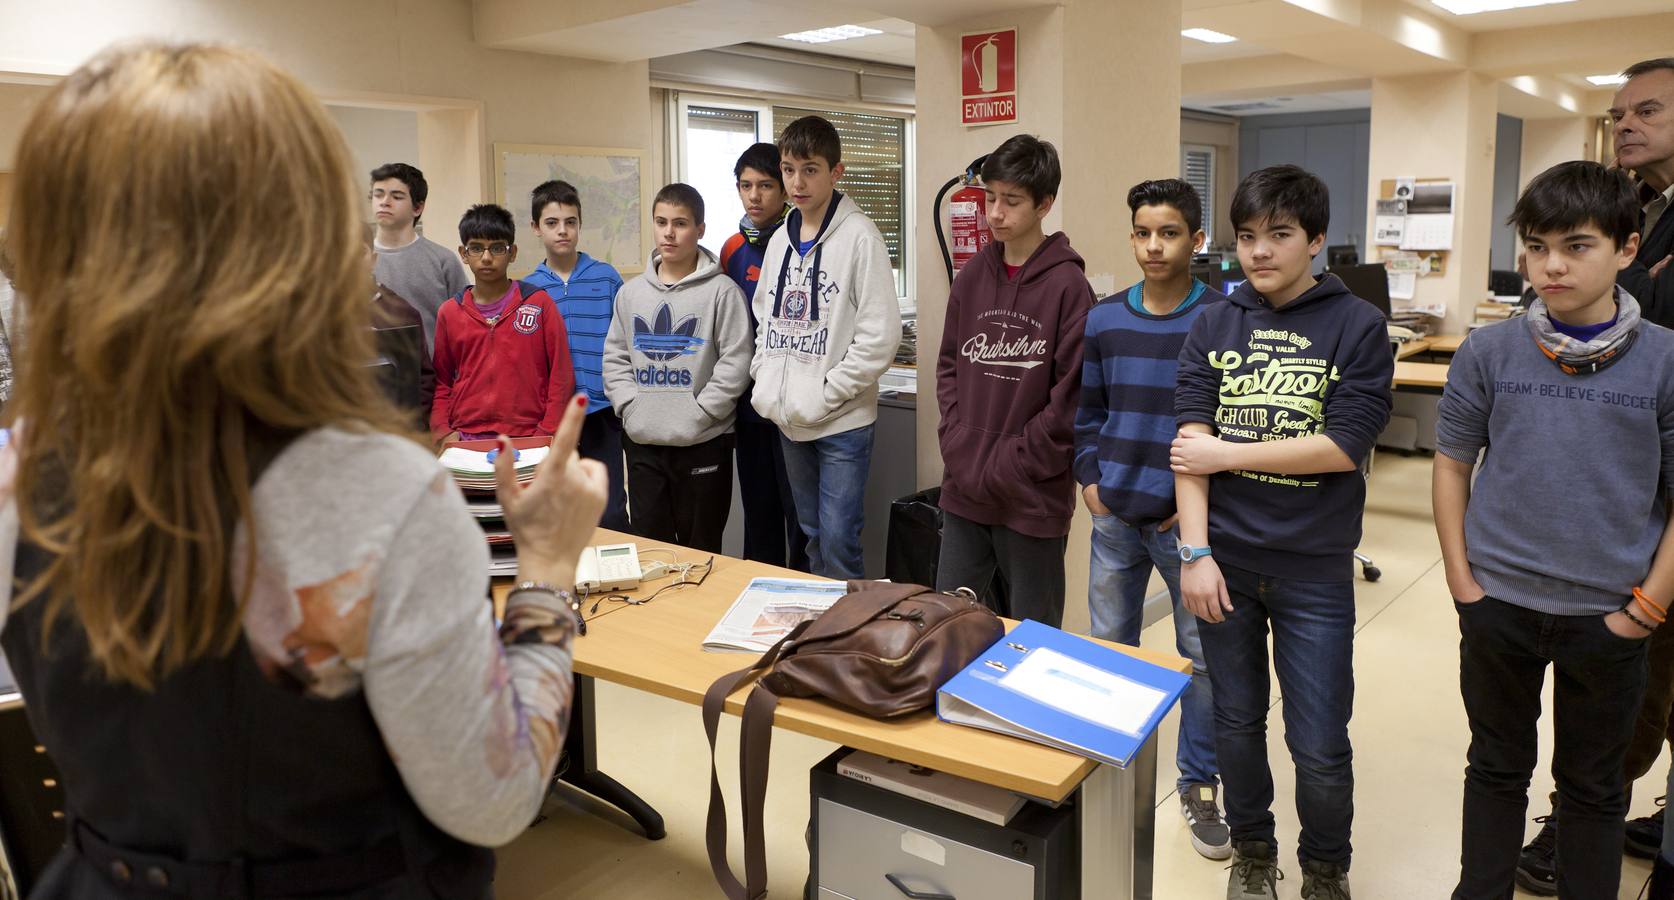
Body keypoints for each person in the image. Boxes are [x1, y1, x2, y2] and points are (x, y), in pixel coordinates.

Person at [0, 41, 606, 898]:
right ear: (307, 238)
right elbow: (492, 800)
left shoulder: (19, 475)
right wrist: (545, 571)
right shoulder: (381, 496)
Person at [1435, 160, 1674, 900]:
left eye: (1577, 246)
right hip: (1498, 606)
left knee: (1593, 789)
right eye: (1537, 247)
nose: (1552, 265)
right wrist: (1462, 581)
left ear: (1627, 250)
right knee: (1496, 769)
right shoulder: (1489, 351)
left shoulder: (1665, 359)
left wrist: (1645, 612)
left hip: (1610, 614)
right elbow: (1451, 464)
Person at [1171, 164, 1393, 900]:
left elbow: (1343, 444)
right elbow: (1187, 448)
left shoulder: (1355, 324)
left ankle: (1327, 869)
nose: (1260, 251)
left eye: (1280, 235)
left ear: (1317, 240)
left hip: (1313, 569)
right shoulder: (1215, 321)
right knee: (1236, 724)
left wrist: (1227, 454)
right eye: (1247, 236)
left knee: (1320, 742)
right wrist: (1195, 553)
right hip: (1225, 563)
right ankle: (1254, 854)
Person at [1517, 57, 1674, 893]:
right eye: (1619, 114)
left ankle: (1587, 823)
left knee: (1641, 687)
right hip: (1606, 505)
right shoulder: (1644, 207)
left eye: (1647, 110)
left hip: (1653, 505)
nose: (1626, 126)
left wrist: (1650, 596)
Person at [1076, 178, 1229, 860]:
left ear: (1196, 240)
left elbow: (1233, 427)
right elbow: (1088, 412)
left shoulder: (1224, 318)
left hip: (1184, 525)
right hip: (1114, 515)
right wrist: (1090, 478)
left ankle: (1198, 785)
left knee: (1201, 659)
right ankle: (1108, 768)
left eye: (1169, 233)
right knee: (1109, 645)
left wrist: (1200, 509)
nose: (1153, 246)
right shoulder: (1105, 318)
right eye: (1142, 232)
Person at [935, 134, 1088, 627]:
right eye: (990, 198)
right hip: (964, 489)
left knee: (1033, 633)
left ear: (1045, 204)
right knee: (949, 626)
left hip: (1032, 497)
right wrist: (958, 443)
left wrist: (1013, 463)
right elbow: (948, 367)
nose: (995, 214)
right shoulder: (972, 277)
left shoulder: (1069, 287)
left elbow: (1070, 401)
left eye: (1012, 201)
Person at [751, 115, 901, 580]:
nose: (797, 182)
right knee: (812, 534)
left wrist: (826, 392)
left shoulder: (861, 238)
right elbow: (764, 318)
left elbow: (880, 337)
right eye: (789, 169)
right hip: (790, 419)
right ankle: (821, 631)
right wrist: (766, 373)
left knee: (839, 540)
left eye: (810, 169)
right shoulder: (779, 240)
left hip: (841, 422)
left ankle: (849, 642)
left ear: (836, 172)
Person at [603, 184, 752, 552]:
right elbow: (616, 356)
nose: (669, 233)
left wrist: (702, 412)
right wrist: (630, 407)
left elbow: (737, 359)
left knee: (701, 551)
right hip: (644, 442)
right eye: (661, 222)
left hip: (703, 442)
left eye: (681, 223)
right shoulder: (631, 293)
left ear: (700, 229)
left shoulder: (722, 292)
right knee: (650, 551)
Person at [524, 179, 632, 533]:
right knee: (563, 513)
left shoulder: (606, 277)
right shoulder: (529, 289)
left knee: (612, 511)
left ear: (580, 225)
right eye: (552, 223)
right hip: (554, 417)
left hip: (602, 410)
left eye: (570, 222)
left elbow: (625, 341)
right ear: (536, 228)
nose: (563, 231)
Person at [720, 143, 807, 570]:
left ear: (785, 190)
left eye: (766, 186)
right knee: (759, 515)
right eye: (745, 186)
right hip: (748, 402)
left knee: (800, 518)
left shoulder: (802, 242)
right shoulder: (733, 248)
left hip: (794, 404)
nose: (754, 196)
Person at [430, 205, 576, 442]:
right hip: (466, 436)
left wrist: (545, 434)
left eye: (497, 248)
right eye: (476, 248)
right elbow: (441, 381)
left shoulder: (539, 304)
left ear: (513, 252)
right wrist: (443, 431)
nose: (486, 257)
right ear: (463, 253)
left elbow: (561, 376)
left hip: (529, 436)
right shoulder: (449, 312)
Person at [370, 162, 469, 353]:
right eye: (378, 194)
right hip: (368, 376)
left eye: (397, 196)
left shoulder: (443, 261)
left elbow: (464, 326)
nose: (384, 201)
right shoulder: (352, 262)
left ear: (417, 208)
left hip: (431, 378)